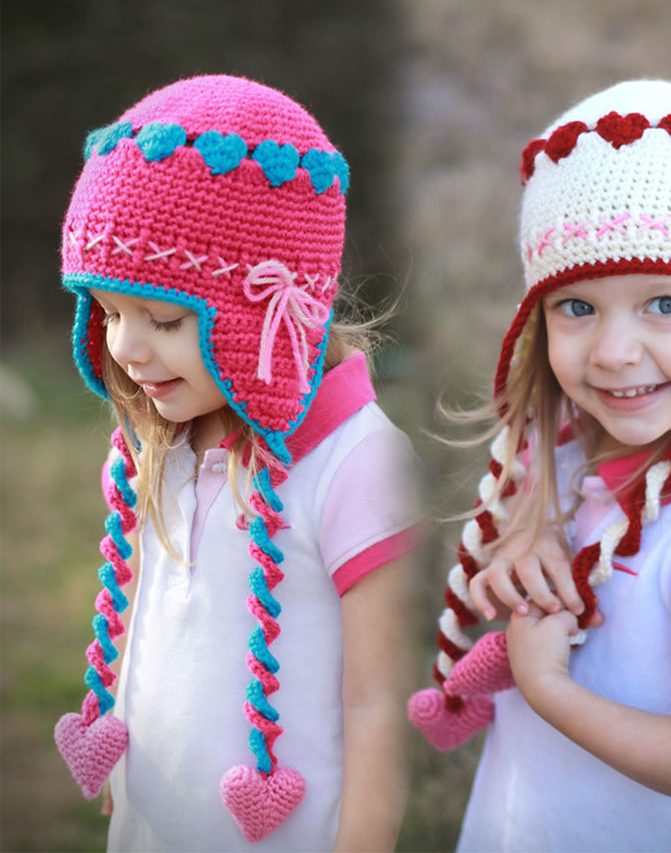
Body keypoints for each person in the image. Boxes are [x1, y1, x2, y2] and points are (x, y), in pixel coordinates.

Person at [408, 80, 671, 851]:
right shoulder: (578, 440)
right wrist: (526, 538)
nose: (612, 353)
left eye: (665, 303)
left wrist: (547, 688)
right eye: (577, 306)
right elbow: (508, 532)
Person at [53, 75, 421, 851]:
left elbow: (377, 702)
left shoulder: (357, 464)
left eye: (162, 318)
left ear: (263, 318)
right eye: (110, 311)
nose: (125, 347)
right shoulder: (156, 444)